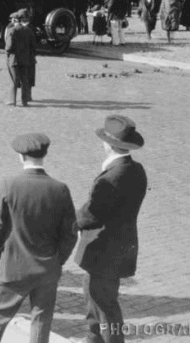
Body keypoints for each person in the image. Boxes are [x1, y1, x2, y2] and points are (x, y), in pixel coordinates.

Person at [0, 133, 77, 343]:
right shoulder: (60, 189)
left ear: (21, 157)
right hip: (47, 268)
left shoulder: (9, 184)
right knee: (41, 321)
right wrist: (57, 261)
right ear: (45, 155)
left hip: (14, 266)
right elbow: (70, 233)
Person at [75, 115, 148, 343]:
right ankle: (93, 338)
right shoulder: (136, 170)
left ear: (110, 144)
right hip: (122, 246)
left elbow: (92, 214)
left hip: (103, 250)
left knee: (103, 303)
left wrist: (66, 222)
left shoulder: (111, 177)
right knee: (96, 297)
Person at [3, 9, 37, 107]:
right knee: (24, 80)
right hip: (25, 59)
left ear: (14, 20)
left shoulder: (11, 31)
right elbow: (33, 46)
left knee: (14, 80)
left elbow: (8, 47)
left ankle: (12, 100)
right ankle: (25, 101)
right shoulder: (28, 30)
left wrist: (7, 53)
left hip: (14, 59)